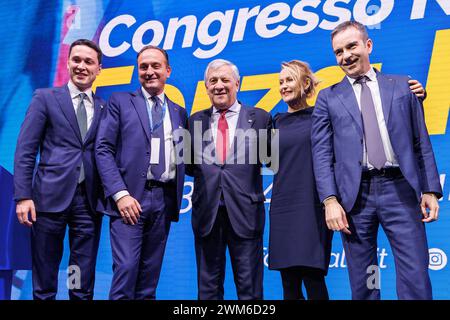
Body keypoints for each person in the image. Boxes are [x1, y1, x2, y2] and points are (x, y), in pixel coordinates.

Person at [311, 21, 442, 300]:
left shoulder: (403, 86)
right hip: (354, 198)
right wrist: (330, 200)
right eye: (338, 51)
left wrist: (430, 189)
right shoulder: (328, 98)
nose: (345, 56)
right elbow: (321, 154)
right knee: (365, 279)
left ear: (368, 45)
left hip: (401, 191)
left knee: (415, 275)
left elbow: (421, 141)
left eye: (351, 46)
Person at [14, 39, 105, 300]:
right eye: (76, 59)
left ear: (99, 69)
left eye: (89, 61)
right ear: (68, 62)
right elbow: (25, 149)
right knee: (45, 273)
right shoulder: (45, 98)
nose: (81, 66)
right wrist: (23, 196)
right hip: (47, 200)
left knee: (79, 271)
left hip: (87, 203)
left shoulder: (103, 107)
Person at [95, 45, 187, 300]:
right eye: (143, 66)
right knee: (125, 271)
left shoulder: (179, 112)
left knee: (149, 279)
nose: (149, 71)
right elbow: (102, 149)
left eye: (155, 66)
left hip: (163, 201)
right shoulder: (120, 102)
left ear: (167, 70)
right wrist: (120, 194)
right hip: (129, 199)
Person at [187, 59, 272, 300]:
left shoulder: (261, 118)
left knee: (250, 290)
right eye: (213, 81)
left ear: (237, 83)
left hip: (246, 215)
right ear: (206, 87)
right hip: (207, 217)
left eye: (225, 80)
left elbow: (272, 161)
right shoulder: (194, 122)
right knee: (207, 290)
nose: (219, 86)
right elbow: (191, 166)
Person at [269, 60, 333, 300]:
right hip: (282, 206)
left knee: (313, 278)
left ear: (306, 83)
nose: (284, 86)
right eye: (281, 82)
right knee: (288, 282)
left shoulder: (321, 115)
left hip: (312, 206)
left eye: (289, 80)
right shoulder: (273, 122)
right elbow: (263, 160)